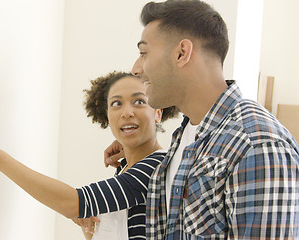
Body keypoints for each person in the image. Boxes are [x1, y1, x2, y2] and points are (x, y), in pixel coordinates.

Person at [103, 0, 299, 239]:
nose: (136, 68)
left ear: (182, 53)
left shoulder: (256, 145)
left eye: (144, 53)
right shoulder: (185, 138)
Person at [0, 71, 179, 240]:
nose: (127, 112)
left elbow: (76, 202)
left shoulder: (156, 166)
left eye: (139, 101)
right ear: (107, 115)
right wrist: (90, 230)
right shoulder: (125, 169)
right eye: (116, 103)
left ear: (158, 112)